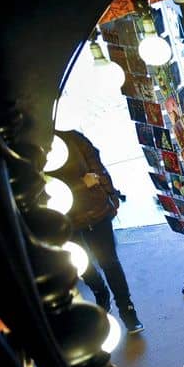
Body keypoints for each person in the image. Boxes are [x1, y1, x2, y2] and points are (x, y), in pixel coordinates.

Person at [47, 129, 143, 333]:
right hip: (65, 218)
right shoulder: (34, 152)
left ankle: (127, 310)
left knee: (110, 262)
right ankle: (100, 291)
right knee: (79, 264)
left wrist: (112, 197)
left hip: (97, 211)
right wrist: (80, 184)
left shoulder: (73, 138)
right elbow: (44, 190)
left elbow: (98, 170)